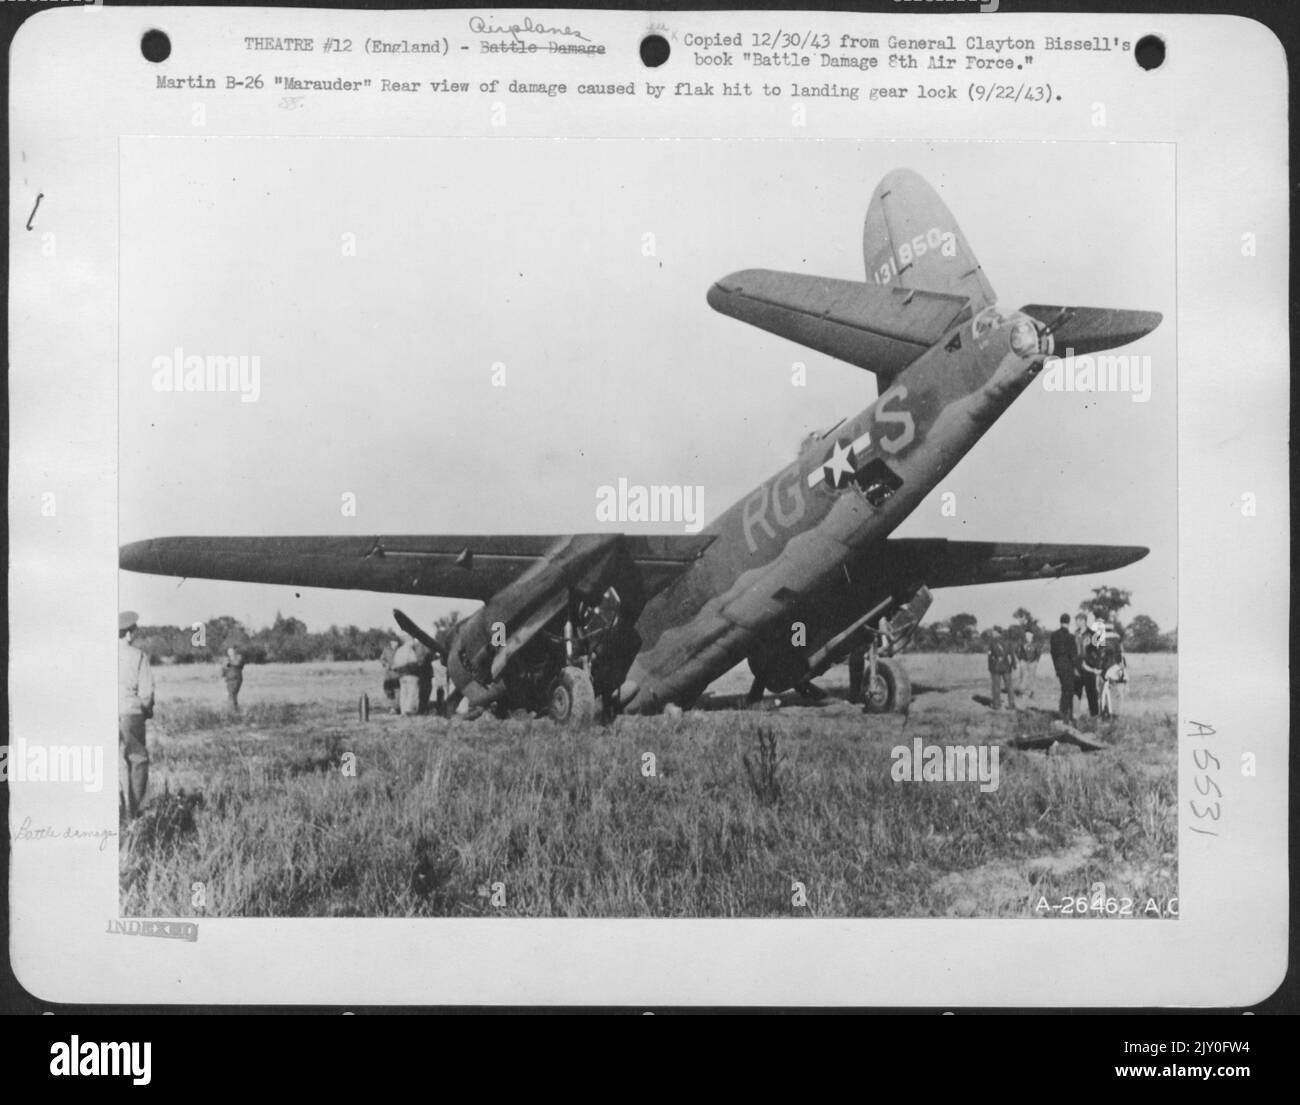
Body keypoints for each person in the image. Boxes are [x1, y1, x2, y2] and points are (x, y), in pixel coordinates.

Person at [118, 611, 155, 819]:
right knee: (137, 759)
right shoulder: (137, 655)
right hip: (130, 712)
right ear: (129, 634)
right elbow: (146, 693)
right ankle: (135, 813)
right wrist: (146, 712)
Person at [1049, 614, 1078, 722]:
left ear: (1060, 621)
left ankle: (1065, 713)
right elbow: (1073, 654)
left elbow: (1052, 653)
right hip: (1068, 665)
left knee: (1065, 688)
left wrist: (1056, 667)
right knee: (1069, 690)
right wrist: (1075, 667)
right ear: (1069, 623)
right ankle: (1065, 714)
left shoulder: (1054, 635)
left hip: (1059, 665)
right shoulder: (1070, 637)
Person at [1098, 625, 1127, 719]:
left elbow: (1100, 655)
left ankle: (1105, 713)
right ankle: (1114, 714)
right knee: (1115, 693)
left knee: (1103, 692)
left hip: (1104, 669)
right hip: (1115, 668)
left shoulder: (1101, 639)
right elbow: (1120, 655)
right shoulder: (1116, 638)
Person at [1073, 613, 1099, 717]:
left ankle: (1094, 715)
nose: (1076, 622)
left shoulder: (1093, 634)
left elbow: (1097, 652)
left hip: (1088, 668)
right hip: (1077, 667)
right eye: (1076, 620)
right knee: (1076, 691)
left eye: (1078, 620)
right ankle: (1075, 715)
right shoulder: (1075, 634)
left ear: (1083, 620)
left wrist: (1089, 663)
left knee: (1091, 692)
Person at [392, 635, 422, 716]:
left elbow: (395, 664)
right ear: (409, 642)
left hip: (401, 675)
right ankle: (409, 710)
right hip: (411, 674)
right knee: (411, 693)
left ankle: (403, 710)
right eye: (412, 640)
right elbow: (414, 662)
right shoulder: (410, 651)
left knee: (403, 693)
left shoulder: (399, 650)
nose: (413, 642)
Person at [987, 631, 1017, 710]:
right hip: (1006, 667)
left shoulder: (992, 643)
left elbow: (990, 657)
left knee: (996, 687)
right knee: (1009, 686)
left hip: (995, 667)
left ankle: (997, 706)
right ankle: (1012, 704)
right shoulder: (1008, 643)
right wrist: (1014, 665)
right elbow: (1012, 655)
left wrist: (990, 668)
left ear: (996, 634)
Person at [1080, 625, 1103, 718]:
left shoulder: (1094, 636)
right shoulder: (1087, 635)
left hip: (1093, 666)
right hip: (1088, 666)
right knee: (1092, 691)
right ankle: (1094, 713)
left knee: (1093, 692)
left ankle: (1095, 713)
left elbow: (1100, 651)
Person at [1016, 630, 1042, 702]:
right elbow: (1016, 650)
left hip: (1032, 662)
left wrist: (1036, 661)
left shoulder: (1035, 644)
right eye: (1026, 635)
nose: (1027, 637)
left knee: (1032, 677)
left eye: (1029, 635)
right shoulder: (1022, 643)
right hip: (1024, 662)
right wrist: (1020, 659)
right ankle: (1021, 692)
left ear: (1032, 636)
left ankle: (1032, 693)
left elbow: (1039, 652)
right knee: (1023, 677)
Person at [221, 645, 246, 713]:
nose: (231, 653)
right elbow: (223, 670)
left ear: (234, 651)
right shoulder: (226, 660)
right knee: (231, 695)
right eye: (229, 652)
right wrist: (225, 666)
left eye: (232, 651)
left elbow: (238, 664)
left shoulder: (238, 657)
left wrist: (229, 662)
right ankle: (234, 709)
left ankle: (234, 710)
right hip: (229, 680)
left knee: (232, 694)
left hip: (236, 679)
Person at [379, 637, 401, 710]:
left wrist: (398, 666)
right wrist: (385, 664)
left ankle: (396, 707)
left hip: (397, 673)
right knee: (387, 690)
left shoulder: (400, 650)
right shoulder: (386, 649)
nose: (396, 644)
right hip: (388, 673)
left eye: (397, 642)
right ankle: (392, 705)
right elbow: (382, 659)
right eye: (394, 642)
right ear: (391, 642)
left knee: (397, 690)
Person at [414, 639, 434, 714]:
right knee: (425, 693)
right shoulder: (428, 653)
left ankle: (422, 709)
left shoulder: (419, 648)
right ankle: (423, 709)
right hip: (426, 676)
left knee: (422, 693)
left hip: (423, 675)